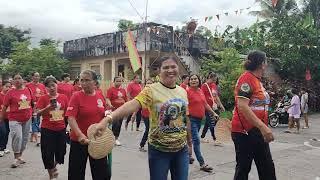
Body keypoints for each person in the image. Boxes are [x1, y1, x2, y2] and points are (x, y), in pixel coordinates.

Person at [94, 56, 193, 180]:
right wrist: (108, 119)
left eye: (173, 66)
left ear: (178, 68)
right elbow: (132, 104)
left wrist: (190, 143)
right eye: (165, 67)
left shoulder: (182, 92)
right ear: (159, 71)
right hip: (159, 150)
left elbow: (186, 118)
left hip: (181, 150)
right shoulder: (151, 90)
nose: (170, 70)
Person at [231, 50, 276, 180]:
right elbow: (242, 105)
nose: (267, 65)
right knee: (244, 168)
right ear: (262, 64)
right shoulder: (247, 78)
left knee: (266, 167)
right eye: (266, 61)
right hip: (245, 131)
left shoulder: (257, 80)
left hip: (256, 130)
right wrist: (263, 127)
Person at [66, 70, 111, 180]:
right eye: (81, 80)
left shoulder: (100, 95)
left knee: (101, 173)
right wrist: (80, 135)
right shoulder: (76, 96)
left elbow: (104, 114)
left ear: (95, 82)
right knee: (76, 173)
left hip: (97, 141)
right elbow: (70, 118)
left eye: (87, 80)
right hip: (79, 141)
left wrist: (108, 116)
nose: (83, 83)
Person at [36, 76, 68, 179]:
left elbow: (68, 113)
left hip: (61, 128)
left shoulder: (64, 97)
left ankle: (53, 166)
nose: (52, 88)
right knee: (47, 154)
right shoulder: (43, 98)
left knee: (61, 152)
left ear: (57, 85)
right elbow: (37, 113)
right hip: (47, 129)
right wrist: (48, 107)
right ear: (46, 88)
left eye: (53, 85)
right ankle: (51, 175)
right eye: (49, 86)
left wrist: (69, 126)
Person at [1, 73, 33, 168]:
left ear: (22, 80)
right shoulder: (10, 92)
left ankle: (20, 156)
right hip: (14, 118)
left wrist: (33, 113)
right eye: (16, 79)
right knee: (17, 136)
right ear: (13, 81)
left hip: (27, 118)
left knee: (24, 138)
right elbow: (5, 106)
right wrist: (1, 118)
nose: (18, 80)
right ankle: (15, 157)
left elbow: (31, 103)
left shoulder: (28, 90)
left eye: (19, 78)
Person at [187, 74, 217, 172]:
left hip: (199, 120)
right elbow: (184, 106)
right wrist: (186, 119)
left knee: (190, 139)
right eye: (191, 79)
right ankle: (202, 163)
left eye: (195, 79)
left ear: (199, 80)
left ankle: (186, 156)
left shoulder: (200, 91)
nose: (193, 80)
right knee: (196, 140)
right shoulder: (187, 92)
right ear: (189, 81)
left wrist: (213, 113)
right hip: (191, 120)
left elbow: (205, 104)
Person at [200, 72, 225, 145]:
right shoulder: (204, 86)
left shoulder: (214, 85)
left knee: (214, 120)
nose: (215, 80)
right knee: (211, 122)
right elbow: (202, 98)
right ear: (211, 77)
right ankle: (215, 139)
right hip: (207, 107)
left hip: (214, 106)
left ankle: (202, 136)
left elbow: (216, 96)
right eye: (214, 79)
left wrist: (221, 105)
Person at [26, 72, 47, 146]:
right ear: (32, 77)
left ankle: (32, 136)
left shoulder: (42, 85)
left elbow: (45, 94)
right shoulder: (28, 85)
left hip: (40, 106)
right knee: (35, 121)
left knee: (36, 121)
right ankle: (37, 139)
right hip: (31, 106)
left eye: (38, 76)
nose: (37, 77)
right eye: (35, 76)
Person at [106, 76, 127, 146]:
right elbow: (108, 99)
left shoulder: (123, 90)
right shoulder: (110, 90)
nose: (119, 82)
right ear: (114, 82)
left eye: (120, 81)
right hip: (114, 111)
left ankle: (116, 138)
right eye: (117, 81)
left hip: (121, 110)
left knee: (119, 125)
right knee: (116, 124)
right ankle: (112, 138)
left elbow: (126, 100)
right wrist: (110, 105)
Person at [139, 78, 153, 152]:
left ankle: (151, 146)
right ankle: (142, 145)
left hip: (153, 115)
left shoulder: (154, 93)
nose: (149, 85)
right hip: (146, 114)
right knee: (148, 130)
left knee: (152, 130)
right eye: (148, 83)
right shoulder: (143, 93)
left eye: (151, 83)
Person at [0, 80, 12, 157]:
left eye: (9, 87)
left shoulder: (10, 96)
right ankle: (1, 148)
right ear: (2, 86)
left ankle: (4, 147)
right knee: (3, 132)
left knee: (7, 132)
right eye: (6, 86)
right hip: (1, 117)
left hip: (9, 117)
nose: (8, 88)